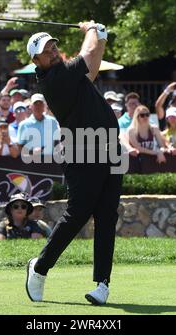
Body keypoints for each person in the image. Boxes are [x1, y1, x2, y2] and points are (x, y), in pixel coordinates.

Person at [25, 22, 122, 305]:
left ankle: (102, 284)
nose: (53, 52)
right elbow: (90, 51)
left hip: (109, 150)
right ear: (37, 61)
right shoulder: (55, 78)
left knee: (107, 216)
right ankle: (39, 268)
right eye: (47, 51)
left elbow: (93, 64)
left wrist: (100, 34)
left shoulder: (72, 75)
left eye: (54, 47)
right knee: (77, 214)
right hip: (82, 152)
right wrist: (92, 29)